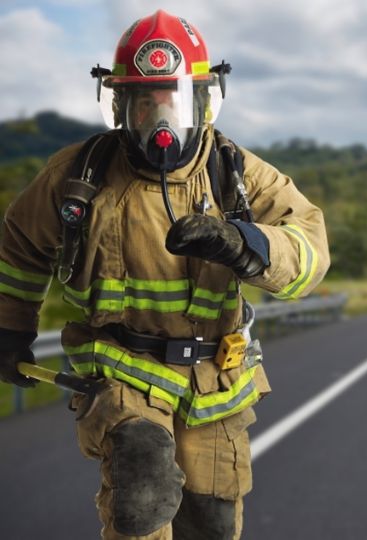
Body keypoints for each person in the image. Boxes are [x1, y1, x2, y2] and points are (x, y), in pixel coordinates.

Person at [0, 10, 329, 539]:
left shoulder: (237, 176)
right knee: (143, 494)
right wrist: (10, 328)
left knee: (211, 523)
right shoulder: (77, 177)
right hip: (122, 373)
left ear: (204, 100)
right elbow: (19, 246)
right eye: (144, 102)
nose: (160, 120)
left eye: (172, 101)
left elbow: (310, 250)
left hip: (214, 383)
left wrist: (246, 244)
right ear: (119, 104)